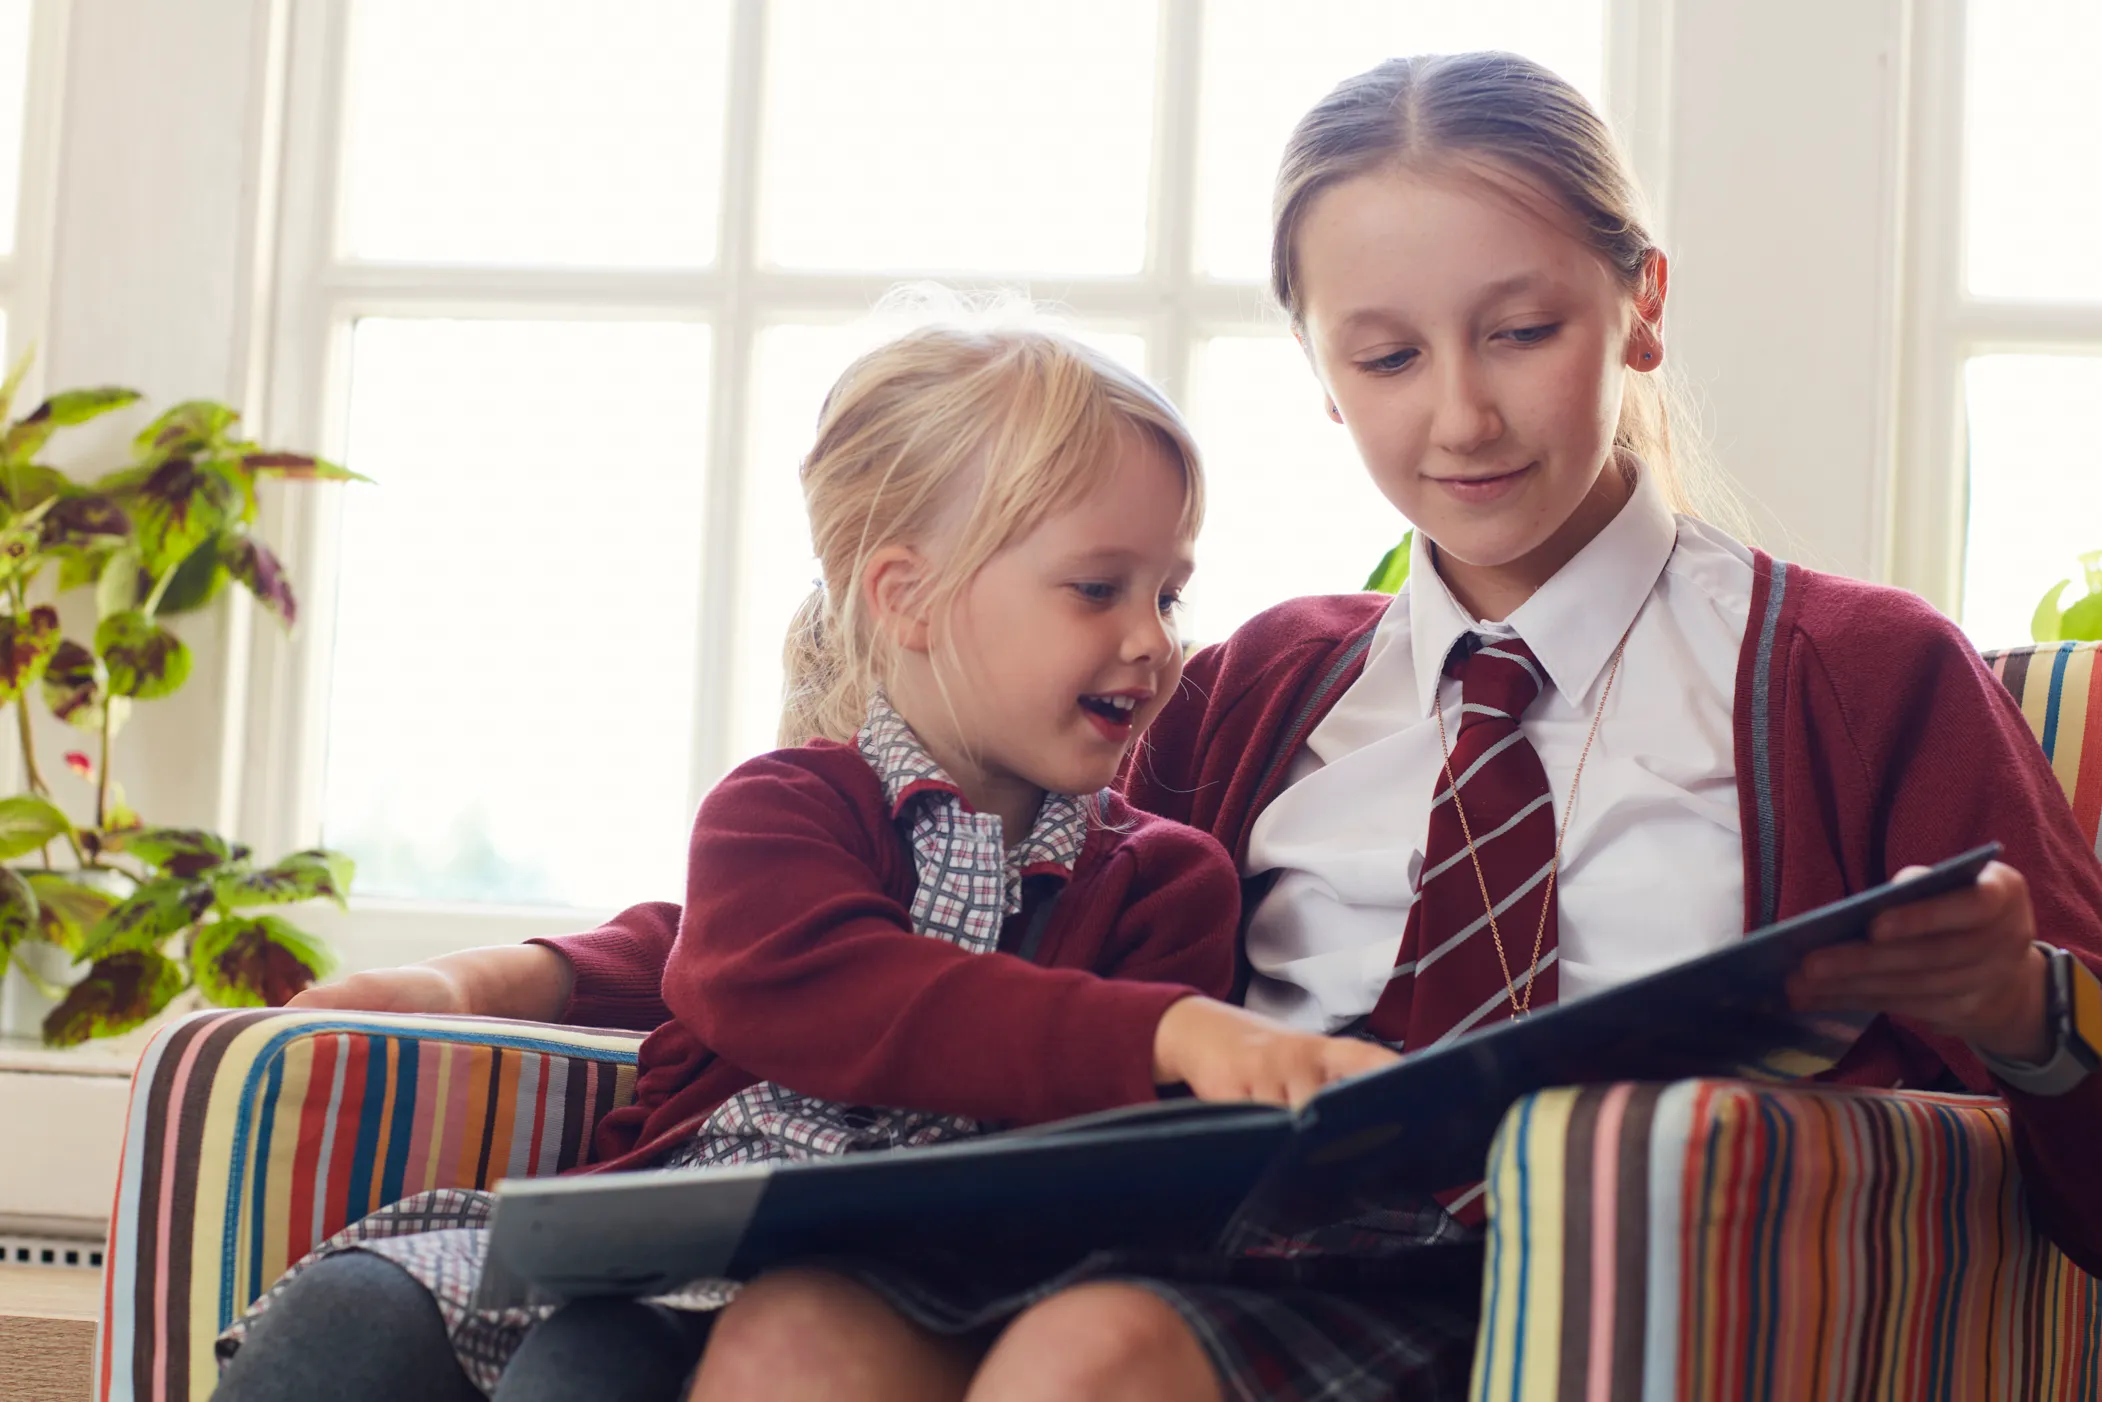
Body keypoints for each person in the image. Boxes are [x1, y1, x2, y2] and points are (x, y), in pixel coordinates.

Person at [662, 51, 2102, 1402]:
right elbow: (898, 909)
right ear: (1317, 368)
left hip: (1588, 1294)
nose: (1462, 415)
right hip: (1216, 1248)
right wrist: (541, 971)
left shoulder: (1852, 672)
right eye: (1386, 358)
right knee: (796, 1331)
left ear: (1641, 305)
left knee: (1093, 1351)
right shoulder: (1247, 687)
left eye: (1522, 333)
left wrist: (2022, 1013)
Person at [210, 319, 1393, 1402]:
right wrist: (1166, 1030)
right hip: (658, 1242)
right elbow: (824, 985)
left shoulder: (1166, 883)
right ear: (906, 597)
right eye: (1097, 588)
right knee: (354, 1305)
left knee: (590, 1367)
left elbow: (1110, 1175)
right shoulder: (779, 808)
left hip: (916, 1290)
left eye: (1170, 592)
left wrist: (1171, 1043)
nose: (1151, 639)